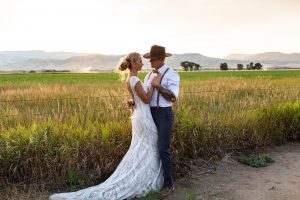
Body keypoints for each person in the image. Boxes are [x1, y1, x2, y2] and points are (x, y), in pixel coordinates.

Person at [49, 52, 164, 200]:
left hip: (140, 116)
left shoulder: (131, 79)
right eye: (140, 61)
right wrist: (154, 85)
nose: (143, 64)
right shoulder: (135, 79)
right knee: (150, 146)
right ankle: (143, 179)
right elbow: (147, 99)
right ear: (134, 63)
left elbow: (138, 99)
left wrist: (133, 101)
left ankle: (142, 175)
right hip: (144, 118)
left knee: (143, 148)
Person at [143, 45, 180, 197]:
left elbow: (173, 98)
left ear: (162, 59)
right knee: (150, 147)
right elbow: (146, 95)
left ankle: (169, 184)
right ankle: (152, 179)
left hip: (164, 114)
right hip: (150, 114)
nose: (150, 61)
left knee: (162, 148)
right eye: (149, 59)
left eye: (153, 59)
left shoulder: (172, 75)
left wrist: (158, 86)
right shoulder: (147, 76)